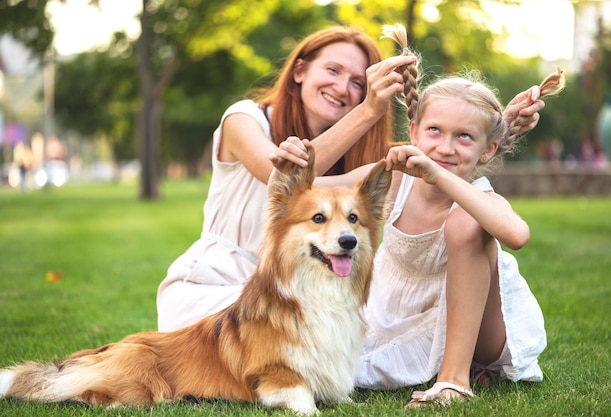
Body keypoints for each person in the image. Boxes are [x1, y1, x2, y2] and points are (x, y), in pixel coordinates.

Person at [271, 25, 564, 407]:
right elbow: (317, 187)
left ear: (487, 150)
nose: (445, 147)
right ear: (413, 131)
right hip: (399, 316)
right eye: (435, 131)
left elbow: (517, 235)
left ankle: (454, 381)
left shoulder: (478, 198)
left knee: (467, 223)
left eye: (464, 138)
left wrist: (437, 174)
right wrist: (290, 163)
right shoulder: (394, 180)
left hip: (484, 335)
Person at [157, 26, 418, 331]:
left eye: (358, 83)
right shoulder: (244, 119)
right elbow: (280, 182)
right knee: (284, 325)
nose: (342, 87)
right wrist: (368, 116)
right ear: (299, 71)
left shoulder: (363, 159)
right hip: (213, 286)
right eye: (333, 70)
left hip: (305, 293)